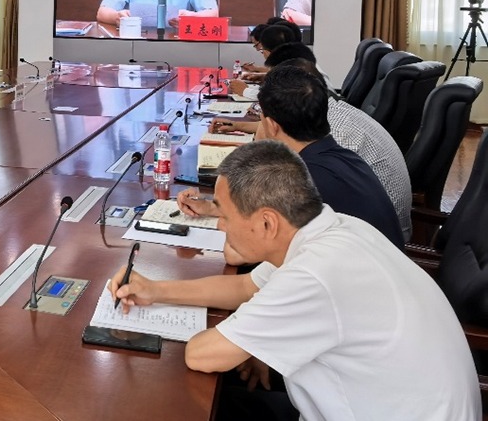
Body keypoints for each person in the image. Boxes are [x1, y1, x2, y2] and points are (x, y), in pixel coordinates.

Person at [111, 141, 479, 421]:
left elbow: (202, 355)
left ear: (267, 222)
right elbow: (244, 287)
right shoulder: (336, 228)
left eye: (225, 215)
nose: (220, 225)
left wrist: (248, 339)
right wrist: (155, 290)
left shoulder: (315, 273)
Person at [182, 63, 404, 247]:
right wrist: (213, 208)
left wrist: (258, 147)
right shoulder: (338, 155)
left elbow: (238, 253)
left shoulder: (301, 182)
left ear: (272, 126)